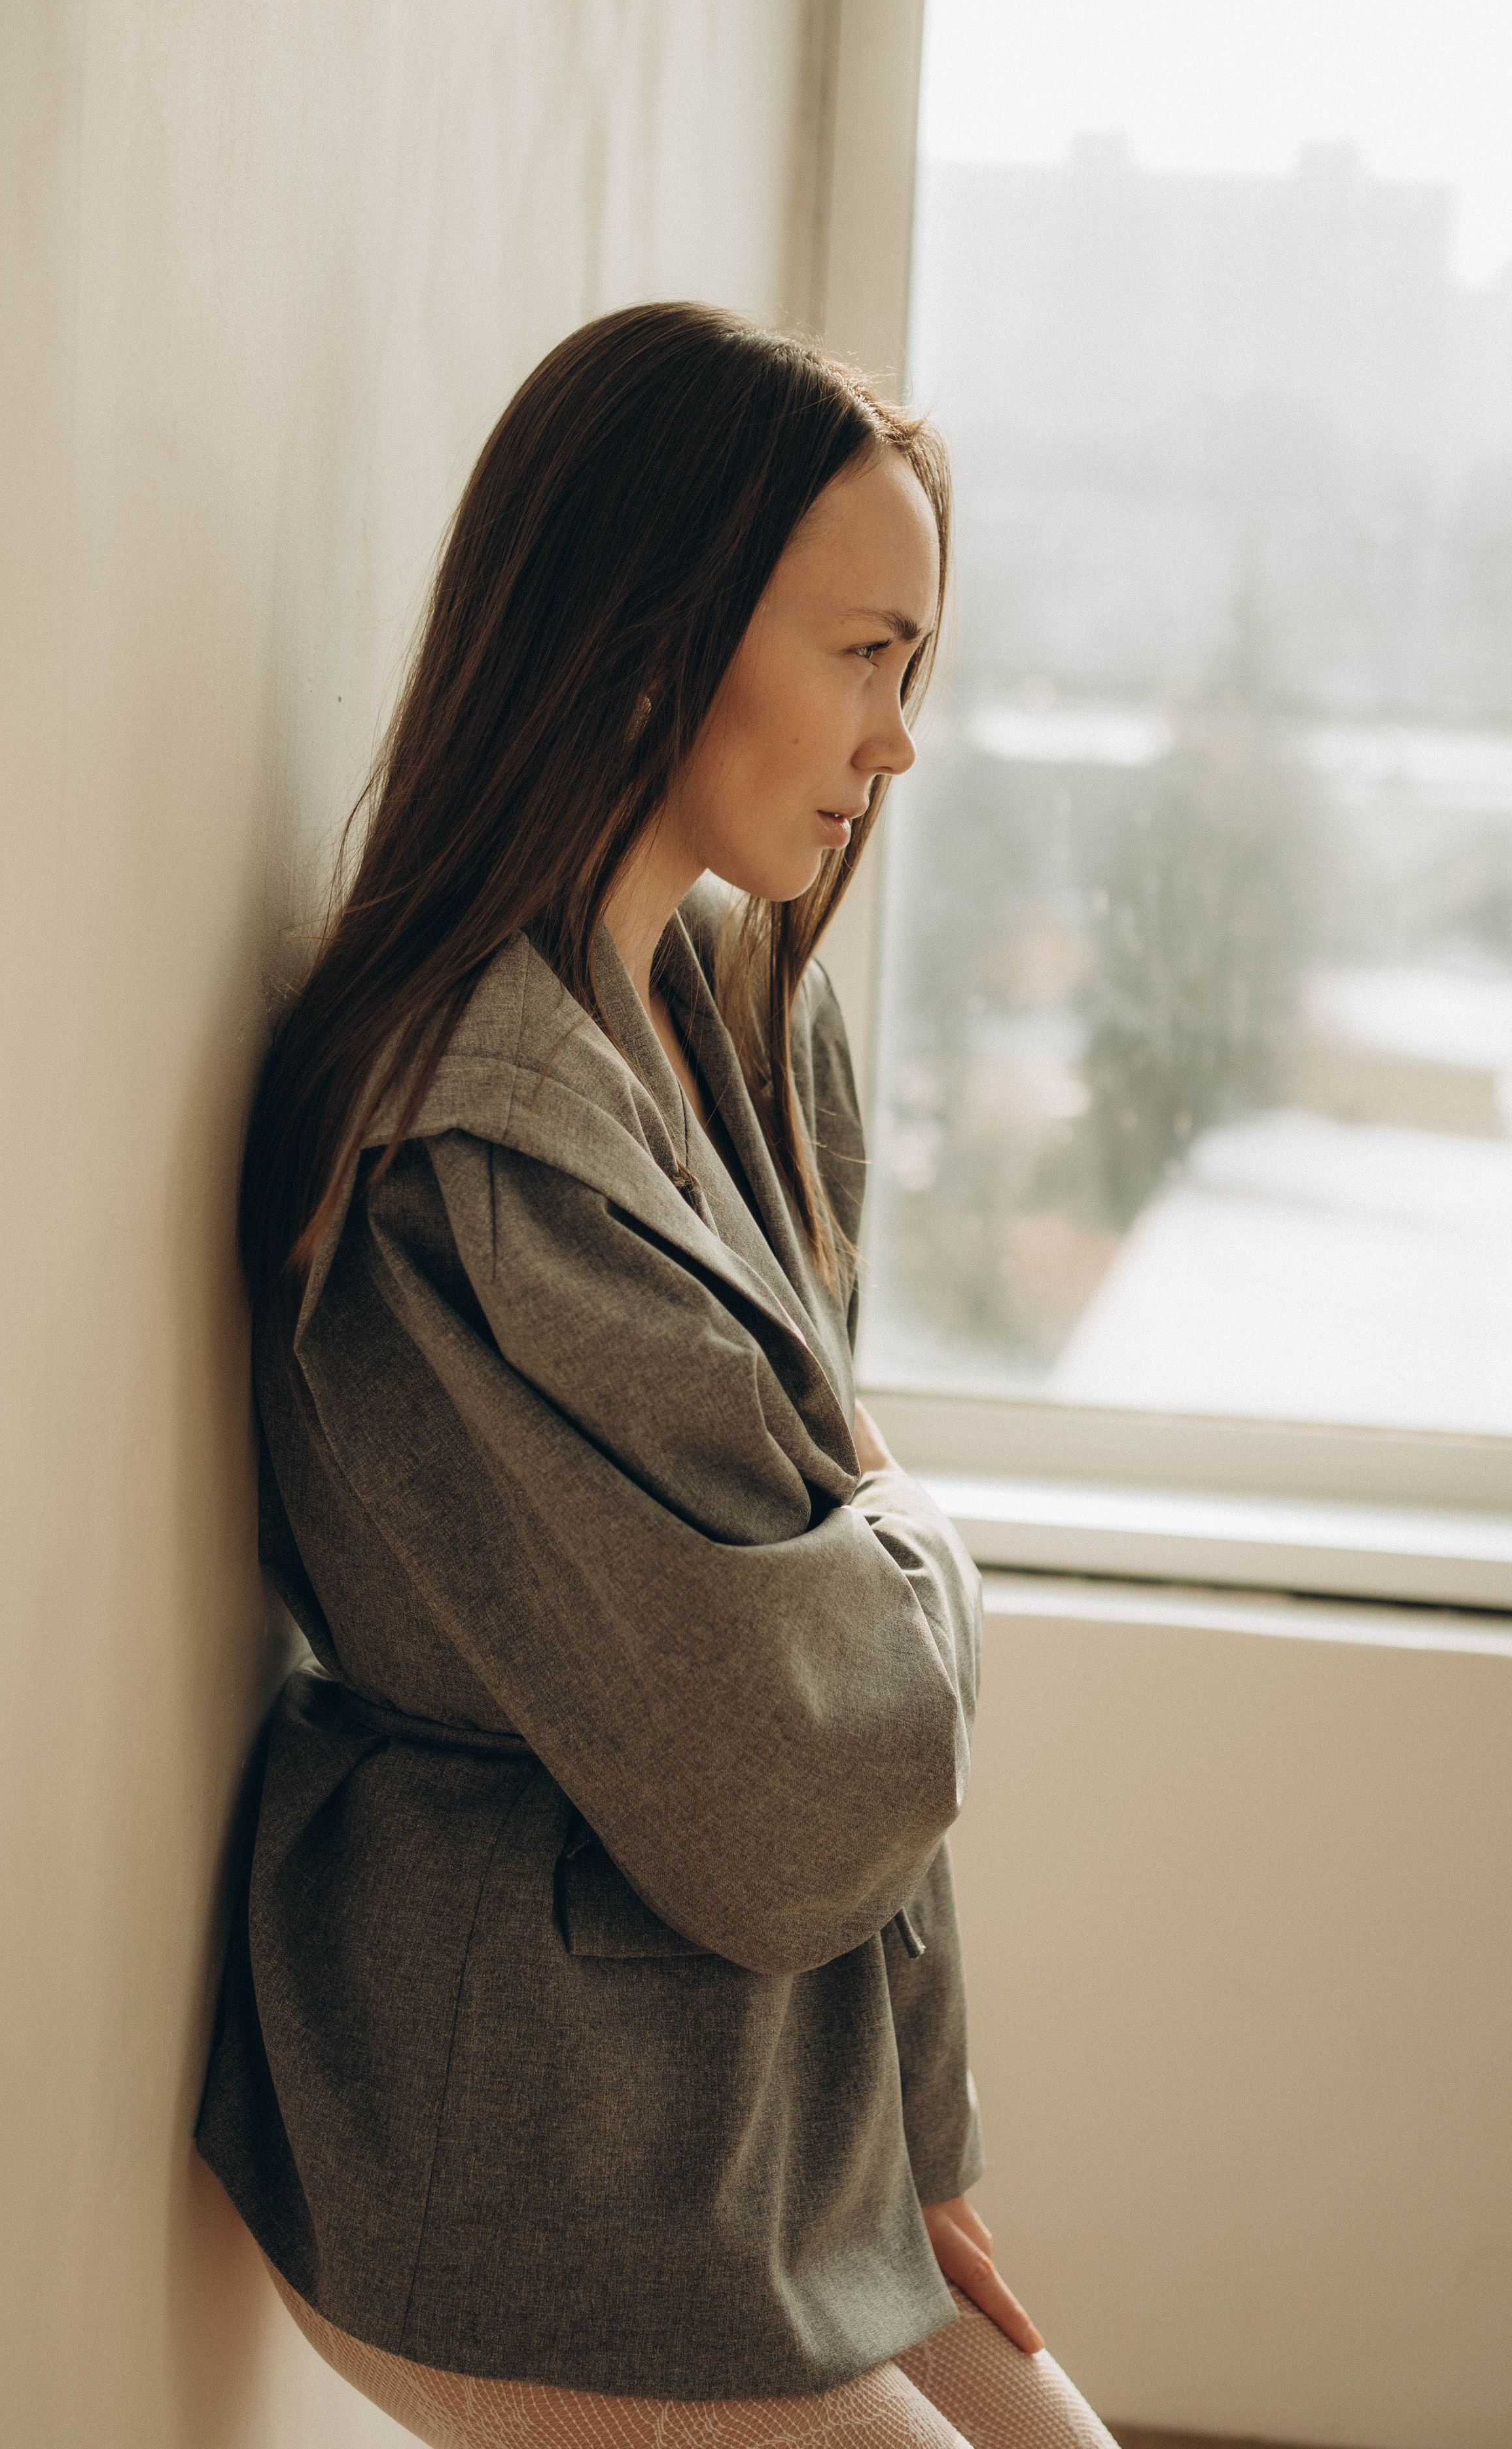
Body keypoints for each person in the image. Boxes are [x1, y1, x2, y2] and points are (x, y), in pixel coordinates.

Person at [198, 302, 1118, 2448]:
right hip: (531, 2144)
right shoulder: (466, 1152)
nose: (900, 741)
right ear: (650, 630)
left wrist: (918, 2132)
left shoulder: (732, 1019)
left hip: (748, 2103)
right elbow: (786, 1771)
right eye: (867, 655)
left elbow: (835, 1679)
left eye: (917, 668)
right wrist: (920, 1546)